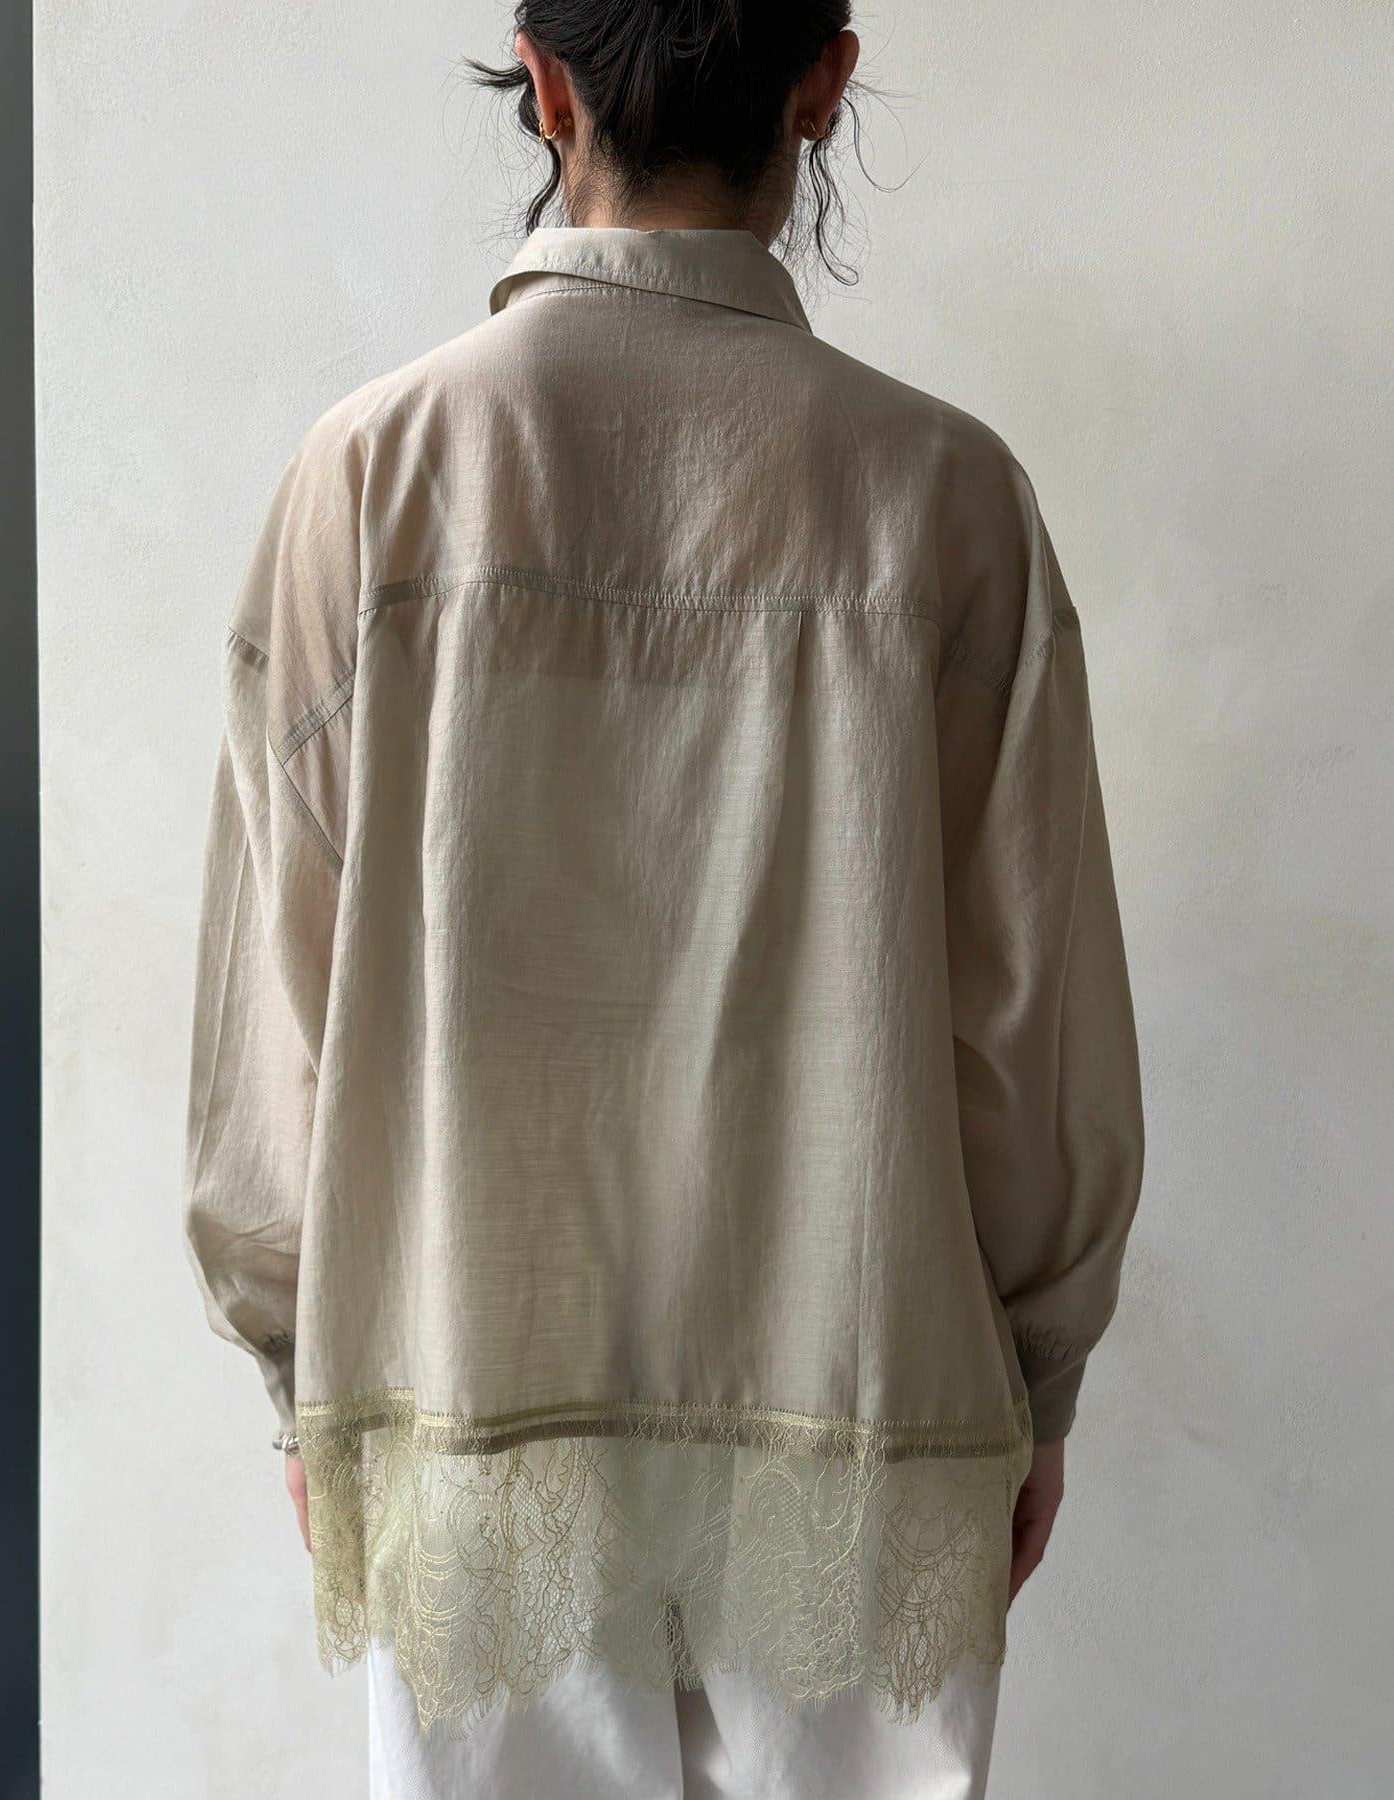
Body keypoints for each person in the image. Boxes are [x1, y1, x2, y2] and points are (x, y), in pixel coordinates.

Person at [182, 4, 1145, 1795]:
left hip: (471, 1398)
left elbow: (278, 1018)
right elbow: (1030, 1026)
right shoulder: (946, 499)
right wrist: (1034, 1376)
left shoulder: (370, 481)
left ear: (544, 84)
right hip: (858, 1400)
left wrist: (299, 1369)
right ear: (823, 79)